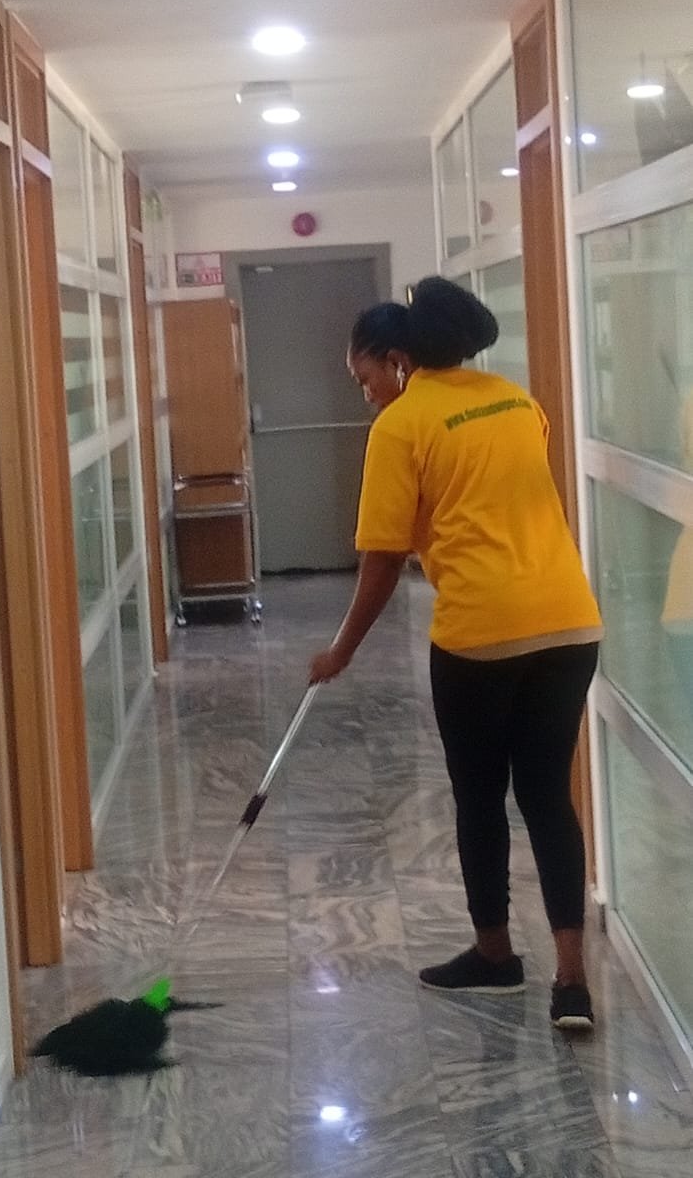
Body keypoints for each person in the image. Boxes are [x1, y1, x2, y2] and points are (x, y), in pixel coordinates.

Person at [309, 276, 603, 1031]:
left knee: (479, 796)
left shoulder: (403, 425)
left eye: (366, 377)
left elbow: (380, 557)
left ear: (398, 360)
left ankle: (495, 955)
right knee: (545, 795)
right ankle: (571, 980)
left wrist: (340, 648)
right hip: (569, 622)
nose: (366, 394)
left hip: (480, 633)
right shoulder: (516, 401)